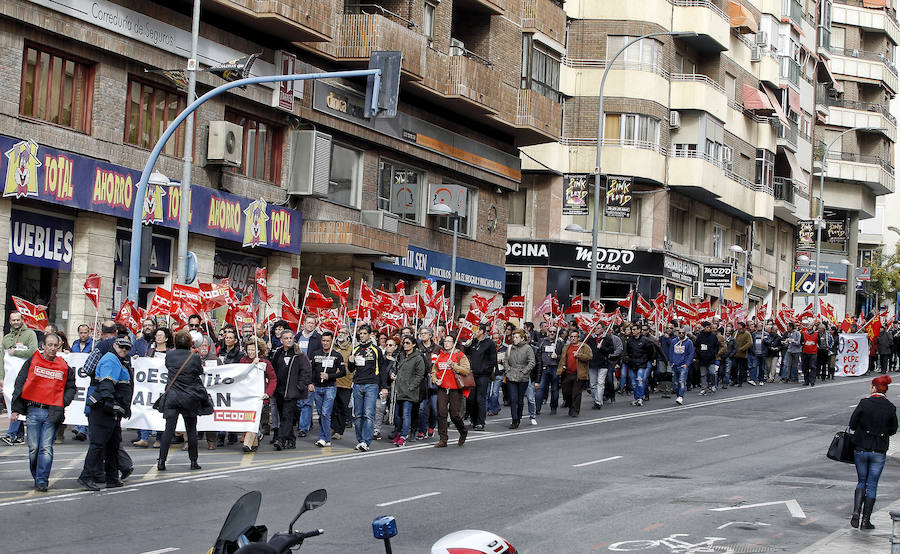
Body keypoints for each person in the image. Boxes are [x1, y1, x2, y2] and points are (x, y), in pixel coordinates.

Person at [8, 333, 75, 491]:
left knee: (46, 448)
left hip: (52, 412)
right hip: (33, 410)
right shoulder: (33, 361)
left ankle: (42, 480)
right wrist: (16, 409)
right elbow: (20, 382)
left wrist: (63, 402)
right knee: (34, 448)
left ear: (59, 347)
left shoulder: (63, 365)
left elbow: (71, 386)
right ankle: (37, 475)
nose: (52, 348)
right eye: (49, 345)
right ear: (43, 346)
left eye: (55, 346)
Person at [78, 336, 133, 490]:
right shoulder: (111, 359)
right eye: (121, 346)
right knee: (98, 444)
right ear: (115, 345)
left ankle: (112, 478)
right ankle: (86, 476)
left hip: (111, 409)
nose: (124, 350)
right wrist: (111, 404)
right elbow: (107, 383)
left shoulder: (119, 360)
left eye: (127, 348)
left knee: (113, 445)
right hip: (104, 409)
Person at [849, 375, 898, 530]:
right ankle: (866, 520)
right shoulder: (890, 407)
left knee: (861, 481)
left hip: (862, 448)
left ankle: (856, 511)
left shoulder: (865, 403)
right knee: (873, 484)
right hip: (879, 450)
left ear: (874, 388)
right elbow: (893, 429)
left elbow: (852, 423)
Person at [157, 331, 208, 471]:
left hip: (172, 396)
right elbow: (199, 371)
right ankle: (193, 461)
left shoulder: (170, 355)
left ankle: (161, 461)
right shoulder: (194, 357)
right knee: (191, 431)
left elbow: (168, 366)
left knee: (168, 430)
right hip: (189, 397)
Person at [0, 312, 39, 446]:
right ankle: (19, 436)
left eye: (18, 319)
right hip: (10, 377)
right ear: (10, 322)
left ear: (22, 320)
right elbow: (2, 358)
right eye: (13, 320)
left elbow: (33, 351)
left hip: (25, 376)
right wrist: (1, 376)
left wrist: (16, 352)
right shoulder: (6, 338)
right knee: (12, 402)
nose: (16, 322)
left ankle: (11, 434)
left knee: (17, 401)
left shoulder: (30, 334)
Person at [271, 329, 313, 451]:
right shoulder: (278, 353)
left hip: (292, 391)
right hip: (279, 391)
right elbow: (273, 370)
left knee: (287, 416)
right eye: (286, 338)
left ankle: (281, 439)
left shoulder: (299, 354)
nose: (289, 340)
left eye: (291, 338)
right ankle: (291, 440)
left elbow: (306, 372)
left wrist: (299, 386)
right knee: (282, 415)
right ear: (281, 340)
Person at [349, 324, 387, 452]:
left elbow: (382, 369)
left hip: (372, 384)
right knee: (358, 415)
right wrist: (350, 361)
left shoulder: (376, 350)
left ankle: (366, 441)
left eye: (364, 333)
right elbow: (351, 369)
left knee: (368, 414)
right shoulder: (355, 349)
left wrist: (384, 387)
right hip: (358, 384)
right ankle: (360, 440)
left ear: (370, 335)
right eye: (360, 333)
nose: (362, 335)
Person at [432, 334, 470, 447]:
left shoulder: (460, 355)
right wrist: (435, 380)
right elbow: (434, 371)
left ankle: (463, 431)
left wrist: (454, 366)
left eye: (449, 341)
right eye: (445, 341)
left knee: (454, 415)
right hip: (443, 388)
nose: (446, 343)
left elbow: (466, 371)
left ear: (454, 343)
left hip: (455, 389)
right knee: (441, 413)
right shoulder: (441, 355)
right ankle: (443, 439)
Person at [239, 339, 276, 453]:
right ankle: (254, 443)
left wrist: (268, 393)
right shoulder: (243, 361)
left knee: (253, 419)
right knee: (249, 419)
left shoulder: (265, 362)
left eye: (252, 349)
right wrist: (252, 364)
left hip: (258, 396)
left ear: (258, 350)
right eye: (248, 350)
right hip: (246, 395)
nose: (250, 352)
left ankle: (248, 443)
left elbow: (273, 378)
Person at [311, 331, 345, 448]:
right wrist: (310, 383)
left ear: (331, 342)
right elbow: (311, 370)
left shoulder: (337, 355)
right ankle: (324, 437)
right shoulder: (315, 354)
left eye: (327, 341)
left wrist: (329, 376)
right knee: (322, 414)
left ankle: (325, 438)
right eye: (323, 341)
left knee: (326, 413)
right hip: (317, 387)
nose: (325, 343)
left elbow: (343, 372)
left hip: (330, 387)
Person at [391, 335, 426, 446]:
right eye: (404, 343)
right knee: (398, 415)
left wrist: (411, 387)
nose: (405, 345)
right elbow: (395, 368)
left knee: (406, 415)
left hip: (410, 392)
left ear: (414, 344)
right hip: (399, 390)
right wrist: (393, 374)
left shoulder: (418, 357)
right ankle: (400, 432)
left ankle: (403, 436)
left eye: (407, 343)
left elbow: (420, 374)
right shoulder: (400, 356)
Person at [464, 323, 497, 431]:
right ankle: (473, 420)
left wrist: (485, 370)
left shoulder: (489, 343)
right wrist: (467, 346)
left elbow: (493, 360)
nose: (474, 332)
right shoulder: (473, 342)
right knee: (471, 399)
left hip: (483, 375)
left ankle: (480, 422)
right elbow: (465, 355)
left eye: (476, 330)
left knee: (480, 398)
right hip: (472, 374)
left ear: (482, 332)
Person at [556, 329, 593, 416]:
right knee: (566, 392)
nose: (573, 338)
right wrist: (561, 369)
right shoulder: (566, 347)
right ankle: (570, 404)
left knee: (576, 393)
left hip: (578, 373)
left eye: (575, 337)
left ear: (578, 338)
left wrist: (579, 355)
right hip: (567, 373)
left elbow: (589, 357)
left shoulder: (584, 347)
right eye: (571, 337)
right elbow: (563, 359)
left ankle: (575, 410)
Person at [504, 329, 535, 429]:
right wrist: (508, 370)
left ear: (522, 338)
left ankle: (519, 416)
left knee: (519, 399)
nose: (515, 339)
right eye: (514, 337)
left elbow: (532, 362)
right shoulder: (510, 348)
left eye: (517, 337)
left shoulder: (528, 348)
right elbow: (505, 360)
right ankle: (514, 419)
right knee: (513, 399)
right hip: (511, 376)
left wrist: (524, 371)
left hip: (523, 378)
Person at [330, 325, 354, 441]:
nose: (340, 334)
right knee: (332, 406)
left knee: (342, 406)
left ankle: (339, 430)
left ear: (348, 335)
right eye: (339, 332)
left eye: (343, 332)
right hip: (333, 380)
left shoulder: (352, 348)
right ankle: (332, 427)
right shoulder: (332, 347)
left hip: (346, 381)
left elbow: (355, 367)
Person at [416, 327, 440, 439]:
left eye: (425, 333)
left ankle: (431, 426)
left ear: (430, 335)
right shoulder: (417, 348)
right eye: (421, 334)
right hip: (421, 382)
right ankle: (422, 430)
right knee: (421, 408)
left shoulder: (438, 348)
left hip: (433, 382)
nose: (423, 335)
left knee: (434, 408)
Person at [623, 325, 655, 407]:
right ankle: (636, 398)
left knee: (640, 380)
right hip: (632, 364)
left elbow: (651, 351)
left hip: (642, 364)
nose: (632, 331)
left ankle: (640, 398)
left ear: (639, 330)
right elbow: (627, 352)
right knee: (633, 383)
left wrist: (649, 360)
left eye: (634, 329)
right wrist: (627, 359)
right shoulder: (630, 341)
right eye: (631, 329)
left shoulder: (645, 340)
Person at [374, 337, 398, 441]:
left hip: (394, 389)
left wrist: (395, 374)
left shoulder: (398, 359)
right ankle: (376, 430)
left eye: (391, 345)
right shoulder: (381, 358)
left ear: (395, 347)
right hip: (382, 387)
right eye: (387, 344)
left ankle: (397, 431)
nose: (388, 347)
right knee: (379, 409)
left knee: (395, 411)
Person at [535, 326, 562, 415]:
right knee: (540, 388)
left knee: (555, 389)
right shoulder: (542, 341)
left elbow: (563, 357)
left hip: (555, 368)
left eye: (554, 332)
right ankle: (537, 408)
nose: (552, 333)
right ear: (547, 332)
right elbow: (538, 354)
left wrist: (557, 357)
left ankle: (553, 408)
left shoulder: (559, 343)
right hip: (544, 368)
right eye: (550, 331)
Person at [669, 326, 694, 406]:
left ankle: (681, 396)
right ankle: (678, 395)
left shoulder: (689, 342)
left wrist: (687, 364)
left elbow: (691, 353)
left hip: (683, 365)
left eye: (683, 333)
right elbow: (671, 352)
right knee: (675, 383)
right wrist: (671, 362)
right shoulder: (673, 341)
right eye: (679, 333)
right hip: (675, 365)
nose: (681, 334)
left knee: (681, 381)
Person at [800, 321, 819, 387]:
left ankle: (812, 381)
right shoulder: (803, 333)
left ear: (813, 326)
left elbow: (818, 342)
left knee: (813, 367)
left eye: (811, 325)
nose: (809, 326)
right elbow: (801, 342)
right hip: (805, 352)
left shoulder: (816, 334)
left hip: (813, 352)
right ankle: (806, 381)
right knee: (805, 367)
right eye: (808, 325)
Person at [733, 322, 752, 387]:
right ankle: (734, 380)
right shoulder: (735, 333)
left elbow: (750, 343)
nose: (738, 327)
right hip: (735, 354)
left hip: (742, 354)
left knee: (742, 369)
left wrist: (742, 348)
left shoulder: (747, 333)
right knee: (734, 367)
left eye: (739, 326)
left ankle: (740, 382)